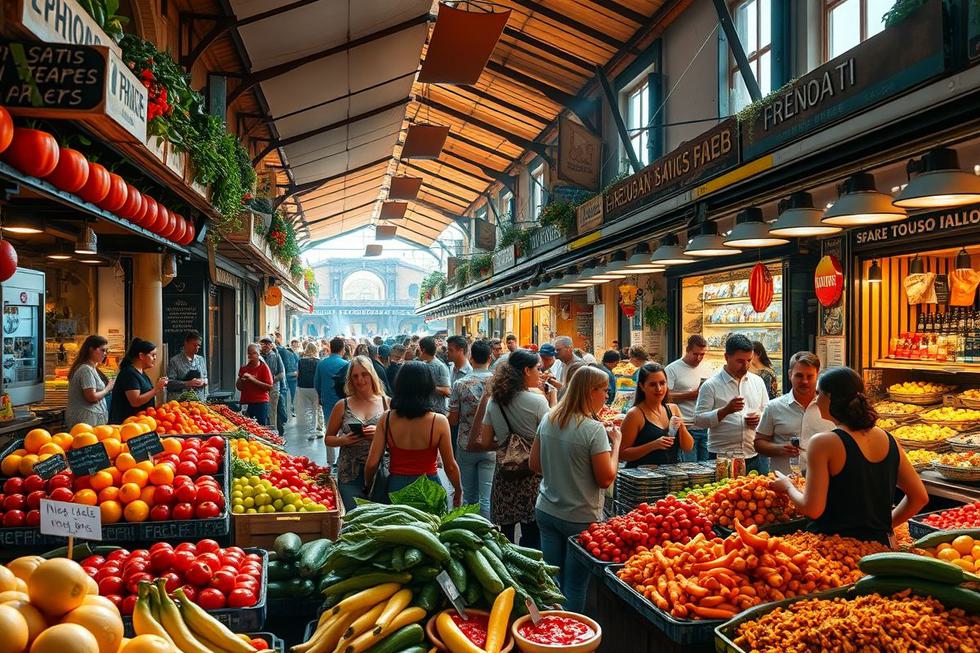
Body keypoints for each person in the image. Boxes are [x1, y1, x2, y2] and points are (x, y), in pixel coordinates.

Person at [771, 367, 929, 545]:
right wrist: (883, 527)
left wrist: (788, 487)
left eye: (818, 394)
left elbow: (812, 508)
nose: (816, 399)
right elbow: (919, 497)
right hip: (880, 547)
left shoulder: (823, 443)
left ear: (829, 398)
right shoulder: (888, 438)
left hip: (836, 551)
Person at [530, 365, 621, 614]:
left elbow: (534, 465)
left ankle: (550, 633)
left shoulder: (549, 418)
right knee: (575, 585)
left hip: (547, 509)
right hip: (580, 518)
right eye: (604, 390)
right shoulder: (593, 431)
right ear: (590, 392)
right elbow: (606, 479)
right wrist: (617, 445)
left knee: (552, 581)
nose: (606, 396)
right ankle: (571, 641)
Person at [471, 349, 551, 547]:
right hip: (532, 473)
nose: (540, 373)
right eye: (537, 369)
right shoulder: (538, 401)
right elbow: (551, 435)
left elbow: (485, 442)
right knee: (532, 533)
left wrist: (509, 446)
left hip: (505, 473)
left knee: (505, 535)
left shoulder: (494, 400)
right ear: (526, 370)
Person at [363, 361, 462, 503]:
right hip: (429, 487)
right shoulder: (439, 421)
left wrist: (368, 485)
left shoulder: (387, 418)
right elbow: (450, 466)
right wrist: (458, 490)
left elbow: (372, 463)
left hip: (396, 487)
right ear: (428, 387)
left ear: (399, 386)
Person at [694, 334, 770, 472]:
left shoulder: (757, 382)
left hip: (754, 455)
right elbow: (699, 420)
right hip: (722, 458)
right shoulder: (710, 385)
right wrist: (725, 411)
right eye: (740, 361)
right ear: (726, 357)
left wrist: (759, 417)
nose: (745, 366)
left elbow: (767, 412)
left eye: (749, 360)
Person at [755, 352, 836, 474]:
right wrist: (779, 449)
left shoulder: (830, 407)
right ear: (789, 375)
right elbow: (759, 443)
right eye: (799, 376)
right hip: (784, 482)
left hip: (824, 482)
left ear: (817, 376)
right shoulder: (773, 407)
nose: (804, 381)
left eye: (810, 376)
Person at [325, 356, 389, 510]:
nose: (360, 380)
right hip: (349, 475)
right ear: (350, 380)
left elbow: (399, 440)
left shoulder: (387, 403)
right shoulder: (342, 405)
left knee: (379, 520)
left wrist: (380, 435)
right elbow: (328, 439)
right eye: (355, 376)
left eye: (364, 374)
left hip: (381, 473)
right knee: (354, 518)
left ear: (372, 375)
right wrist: (344, 440)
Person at [449, 340, 495, 519]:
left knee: (468, 497)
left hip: (466, 443)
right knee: (487, 498)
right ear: (489, 358)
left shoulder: (460, 384)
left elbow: (453, 420)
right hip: (491, 444)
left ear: (471, 357)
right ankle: (486, 534)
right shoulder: (497, 383)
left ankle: (470, 532)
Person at [620, 362, 693, 466]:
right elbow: (622, 454)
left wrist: (681, 426)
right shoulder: (635, 414)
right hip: (642, 478)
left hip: (669, 477)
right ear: (642, 386)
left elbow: (688, 447)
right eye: (652, 384)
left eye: (662, 383)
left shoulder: (673, 409)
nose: (659, 389)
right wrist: (653, 445)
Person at [666, 335, 712, 461]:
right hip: (685, 426)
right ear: (687, 350)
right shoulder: (672, 369)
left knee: (706, 468)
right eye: (695, 354)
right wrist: (689, 395)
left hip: (704, 426)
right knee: (689, 467)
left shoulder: (706, 369)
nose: (698, 358)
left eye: (702, 354)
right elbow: (665, 397)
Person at [110, 338, 167, 423]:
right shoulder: (129, 373)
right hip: (127, 424)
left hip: (141, 422)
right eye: (152, 355)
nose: (155, 358)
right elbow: (135, 401)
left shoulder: (142, 373)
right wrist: (156, 389)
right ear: (141, 356)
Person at [66, 335, 114, 428]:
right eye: (102, 350)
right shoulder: (85, 370)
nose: (105, 354)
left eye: (106, 351)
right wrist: (108, 388)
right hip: (85, 422)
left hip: (93, 421)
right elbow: (91, 397)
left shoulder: (92, 368)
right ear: (91, 349)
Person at [315, 337, 350, 466]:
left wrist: (320, 396)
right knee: (343, 430)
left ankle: (330, 461)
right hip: (343, 402)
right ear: (342, 349)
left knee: (329, 429)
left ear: (330, 347)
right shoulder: (346, 364)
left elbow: (316, 382)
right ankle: (342, 459)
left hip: (327, 400)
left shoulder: (322, 363)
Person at [237, 343, 274, 425]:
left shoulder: (264, 367)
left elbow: (269, 387)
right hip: (246, 402)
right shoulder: (244, 368)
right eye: (249, 353)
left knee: (260, 427)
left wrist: (252, 379)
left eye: (253, 353)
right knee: (246, 427)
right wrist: (240, 380)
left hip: (260, 403)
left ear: (258, 354)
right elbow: (239, 387)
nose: (251, 356)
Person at [166, 331, 208, 401]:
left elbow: (205, 377)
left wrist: (204, 381)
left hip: (199, 401)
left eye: (199, 345)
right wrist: (188, 383)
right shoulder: (175, 361)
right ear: (186, 343)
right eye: (194, 345)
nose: (197, 348)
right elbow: (170, 383)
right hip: (180, 403)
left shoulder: (201, 360)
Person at [260, 337, 286, 438]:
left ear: (271, 345)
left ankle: (273, 433)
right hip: (260, 388)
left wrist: (271, 381)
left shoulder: (275, 356)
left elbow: (281, 373)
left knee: (272, 411)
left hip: (273, 388)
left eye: (268, 343)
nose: (266, 345)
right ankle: (262, 432)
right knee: (262, 410)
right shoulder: (258, 356)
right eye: (263, 343)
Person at [418, 336, 451, 414]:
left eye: (419, 348)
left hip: (436, 411)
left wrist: (427, 386)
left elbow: (447, 391)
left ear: (423, 350)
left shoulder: (440, 366)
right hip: (423, 410)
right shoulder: (422, 363)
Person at [296, 343, 322, 440]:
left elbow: (298, 375)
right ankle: (317, 430)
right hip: (314, 388)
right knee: (316, 409)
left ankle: (311, 431)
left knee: (307, 410)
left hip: (303, 387)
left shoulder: (300, 361)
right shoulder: (319, 361)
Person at [278, 336, 299, 413]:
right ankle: (291, 409)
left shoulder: (291, 352)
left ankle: (288, 409)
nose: (296, 345)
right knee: (290, 393)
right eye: (295, 343)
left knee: (287, 393)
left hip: (289, 375)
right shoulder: (290, 353)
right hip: (291, 375)